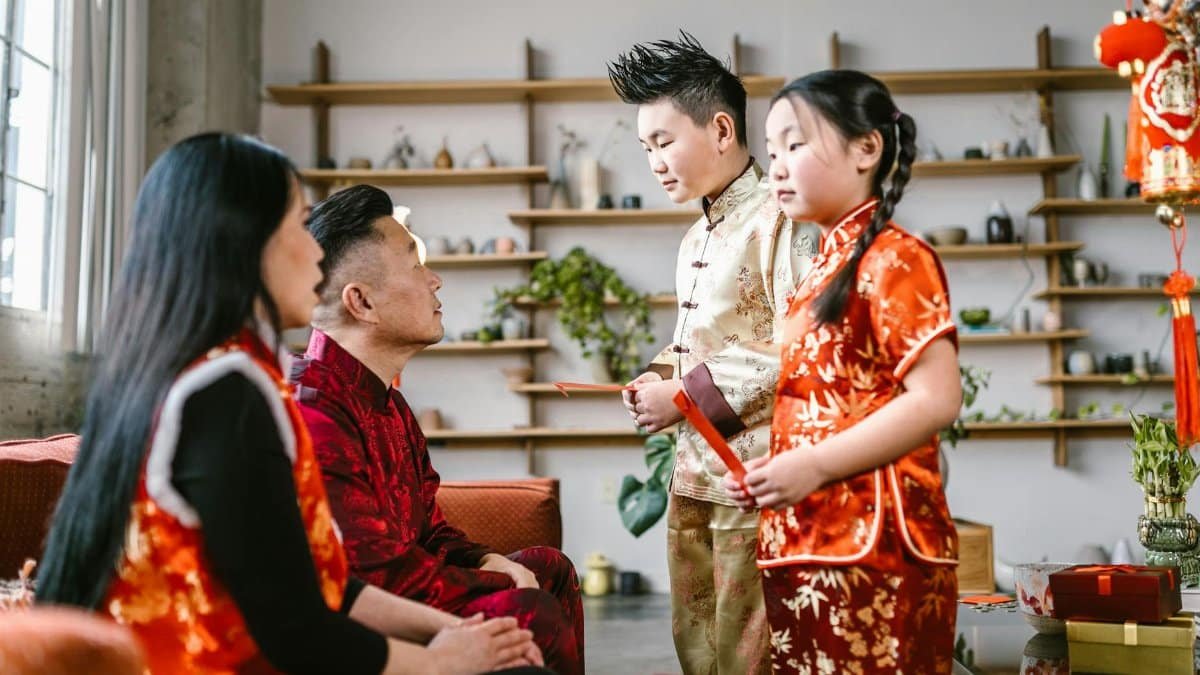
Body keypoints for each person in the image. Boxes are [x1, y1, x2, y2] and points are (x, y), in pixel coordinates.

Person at [35, 132, 547, 675]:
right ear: (246, 242)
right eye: (301, 225)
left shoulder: (215, 371)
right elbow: (294, 631)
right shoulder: (223, 391)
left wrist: (450, 631)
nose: (317, 253)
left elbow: (316, 586)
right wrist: (442, 661)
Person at [723, 70, 962, 674]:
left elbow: (936, 398)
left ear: (866, 148)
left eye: (795, 145)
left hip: (874, 550)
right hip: (807, 543)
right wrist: (776, 474)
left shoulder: (895, 257)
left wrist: (815, 465)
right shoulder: (821, 272)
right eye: (771, 151)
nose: (775, 165)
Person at [292, 184, 583, 675]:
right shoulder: (316, 413)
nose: (436, 280)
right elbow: (372, 578)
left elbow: (428, 531)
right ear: (361, 302)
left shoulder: (391, 405)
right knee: (526, 610)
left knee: (547, 569)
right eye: (415, 264)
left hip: (404, 592)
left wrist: (492, 561)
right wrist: (500, 586)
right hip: (363, 626)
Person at [607, 31, 816, 675]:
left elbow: (802, 345)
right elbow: (697, 340)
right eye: (646, 147)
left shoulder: (783, 219)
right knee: (697, 648)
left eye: (664, 141)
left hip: (755, 481)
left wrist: (686, 394)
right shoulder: (697, 233)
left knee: (752, 653)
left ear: (722, 129)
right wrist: (658, 374)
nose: (654, 161)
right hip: (693, 476)